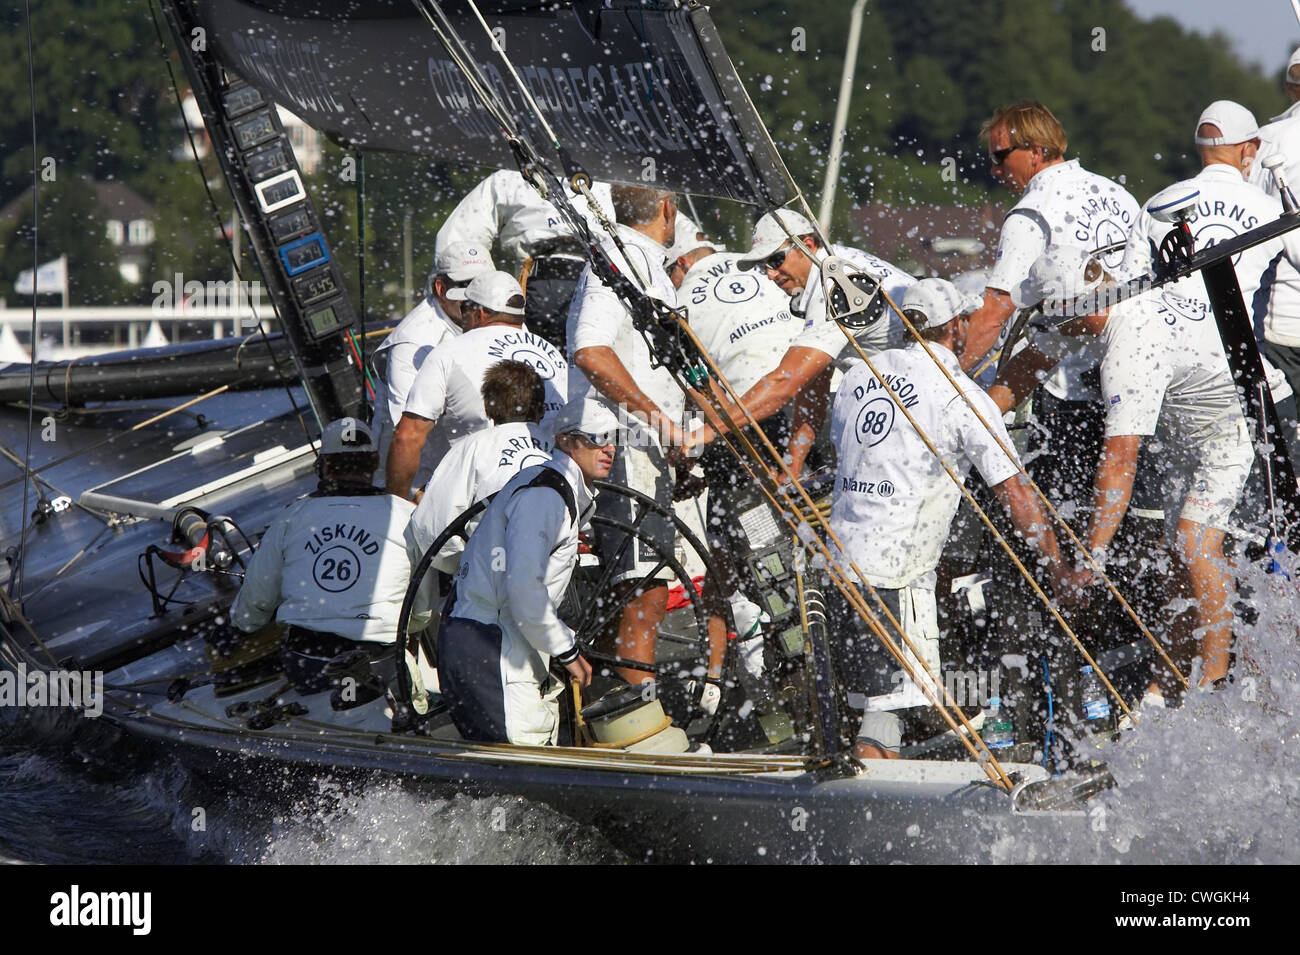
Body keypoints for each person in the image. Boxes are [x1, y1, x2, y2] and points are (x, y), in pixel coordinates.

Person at [829, 279, 1078, 762]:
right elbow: (1016, 494)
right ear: (957, 327)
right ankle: (877, 815)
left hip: (839, 566)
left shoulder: (859, 375)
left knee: (881, 700)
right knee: (885, 717)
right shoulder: (961, 397)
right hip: (895, 577)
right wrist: (1057, 568)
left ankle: (958, 735)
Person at [991, 247, 1252, 690]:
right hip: (1189, 437)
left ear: (1071, 308)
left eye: (1047, 315)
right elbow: (1031, 365)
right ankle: (1168, 682)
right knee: (1174, 564)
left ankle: (1214, 682)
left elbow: (1119, 463)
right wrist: (971, 414)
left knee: (1194, 542)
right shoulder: (1105, 294)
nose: (1047, 327)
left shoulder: (1129, 346)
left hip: (1233, 430)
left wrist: (1090, 562)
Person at [961, 101, 1140, 523]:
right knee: (1131, 529)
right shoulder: (1118, 194)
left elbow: (993, 314)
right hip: (1138, 383)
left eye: (1000, 156)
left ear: (1036, 151)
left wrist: (943, 378)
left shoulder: (1030, 212)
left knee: (1060, 530)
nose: (995, 169)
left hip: (1069, 395)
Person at [665, 216, 801, 698]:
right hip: (798, 406)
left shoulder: (678, 300)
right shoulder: (762, 270)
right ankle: (732, 673)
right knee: (767, 555)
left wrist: (683, 462)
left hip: (742, 429)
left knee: (754, 557)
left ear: (679, 263)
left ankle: (762, 675)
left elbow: (689, 390)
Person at [1123, 99, 1300, 469]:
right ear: (1248, 151)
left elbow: (1128, 295)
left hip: (1168, 379)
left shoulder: (1156, 204)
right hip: (1238, 378)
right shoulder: (1270, 208)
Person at [436, 398, 619, 745]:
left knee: (511, 774)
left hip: (485, 641)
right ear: (566, 440)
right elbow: (523, 586)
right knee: (523, 769)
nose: (609, 447)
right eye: (597, 437)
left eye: (613, 438)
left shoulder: (547, 487)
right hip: (492, 648)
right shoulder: (545, 496)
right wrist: (567, 649)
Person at [567, 184, 689, 684]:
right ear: (668, 207)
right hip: (624, 444)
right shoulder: (616, 261)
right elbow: (590, 350)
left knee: (639, 585)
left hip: (642, 449)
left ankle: (624, 699)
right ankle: (639, 711)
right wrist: (660, 420)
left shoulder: (641, 263)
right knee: (646, 586)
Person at [695, 210, 913, 476]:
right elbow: (814, 385)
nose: (770, 274)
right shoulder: (835, 260)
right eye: (762, 266)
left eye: (775, 260)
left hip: (921, 406)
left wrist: (709, 431)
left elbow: (783, 383)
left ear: (806, 245)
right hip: (911, 393)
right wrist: (794, 462)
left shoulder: (830, 287)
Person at [230, 417, 433, 696]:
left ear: (324, 465)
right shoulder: (406, 516)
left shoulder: (291, 517)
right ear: (374, 462)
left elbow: (254, 605)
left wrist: (242, 626)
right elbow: (422, 611)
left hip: (309, 665)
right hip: (382, 664)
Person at [386, 270, 567, 499]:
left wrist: (396, 504)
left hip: (478, 498)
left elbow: (407, 437)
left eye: (464, 309)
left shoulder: (449, 352)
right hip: (551, 491)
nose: (462, 318)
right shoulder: (554, 355)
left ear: (479, 313)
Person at [406, 359, 554, 577]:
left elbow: (432, 527)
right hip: (554, 578)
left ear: (487, 407)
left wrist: (466, 566)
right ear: (541, 409)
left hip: (490, 576)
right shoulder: (562, 450)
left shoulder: (470, 448)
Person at [436, 169, 614, 349]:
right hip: (541, 282)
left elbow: (458, 238)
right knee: (533, 361)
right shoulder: (511, 175)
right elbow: (458, 243)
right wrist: (486, 291)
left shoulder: (606, 174)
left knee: (585, 360)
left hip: (597, 277)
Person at [369, 242, 494, 488]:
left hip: (471, 476)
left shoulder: (498, 314)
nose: (478, 296)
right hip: (417, 483)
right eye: (467, 286)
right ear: (440, 288)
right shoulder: (413, 342)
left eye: (484, 284)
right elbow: (407, 436)